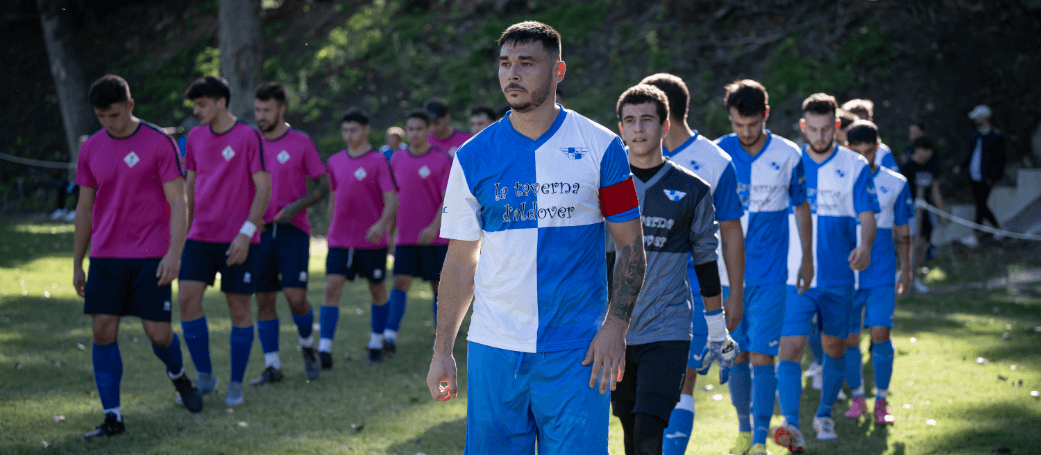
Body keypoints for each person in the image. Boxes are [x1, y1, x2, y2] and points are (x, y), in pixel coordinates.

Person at [426, 21, 645, 454]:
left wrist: (616, 325)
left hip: (577, 351)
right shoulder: (471, 156)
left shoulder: (603, 147)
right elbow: (460, 261)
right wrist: (442, 350)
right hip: (494, 349)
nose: (512, 73)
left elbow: (631, 248)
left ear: (558, 70)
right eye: (505, 63)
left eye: (527, 63)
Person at [74, 74, 201, 439]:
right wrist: (77, 262)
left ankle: (179, 376)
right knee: (102, 329)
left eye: (114, 115)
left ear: (130, 106)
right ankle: (112, 417)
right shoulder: (90, 148)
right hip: (106, 256)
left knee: (158, 334)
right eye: (101, 116)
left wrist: (174, 254)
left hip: (151, 255)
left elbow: (179, 201)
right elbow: (84, 208)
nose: (108, 123)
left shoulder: (159, 142)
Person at [611, 83, 735, 455]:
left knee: (650, 433)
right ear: (620, 128)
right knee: (630, 432)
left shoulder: (692, 189)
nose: (638, 129)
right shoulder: (603, 186)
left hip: (669, 329)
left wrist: (717, 328)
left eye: (647, 119)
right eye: (629, 120)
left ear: (665, 126)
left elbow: (706, 260)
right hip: (615, 332)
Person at [714, 79, 813, 455]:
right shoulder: (717, 152)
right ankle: (743, 428)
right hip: (725, 275)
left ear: (765, 115)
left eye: (752, 124)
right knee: (736, 354)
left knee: (763, 356)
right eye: (738, 124)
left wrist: (807, 257)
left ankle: (758, 439)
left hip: (771, 275)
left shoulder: (788, 154)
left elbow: (801, 207)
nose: (745, 132)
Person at [775, 93, 878, 446]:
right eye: (812, 129)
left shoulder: (855, 165)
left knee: (835, 347)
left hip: (838, 276)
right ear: (803, 127)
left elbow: (868, 216)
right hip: (796, 276)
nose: (819, 136)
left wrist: (865, 246)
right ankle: (791, 423)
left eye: (825, 129)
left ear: (836, 126)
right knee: (789, 348)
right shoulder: (790, 162)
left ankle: (824, 416)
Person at [179, 76, 271, 407]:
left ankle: (235, 383)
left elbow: (263, 188)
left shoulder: (248, 136)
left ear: (221, 102)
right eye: (195, 105)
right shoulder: (194, 137)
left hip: (239, 239)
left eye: (202, 104)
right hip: (200, 236)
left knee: (239, 308)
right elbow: (189, 187)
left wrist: (246, 233)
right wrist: (181, 234)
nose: (196, 111)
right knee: (186, 300)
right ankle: (205, 377)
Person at [249, 82, 328, 385]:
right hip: (260, 232)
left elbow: (323, 186)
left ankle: (308, 346)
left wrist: (295, 208)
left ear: (281, 109)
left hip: (293, 231)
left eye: (267, 110)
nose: (261, 116)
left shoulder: (301, 142)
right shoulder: (251, 143)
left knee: (296, 298)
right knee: (264, 299)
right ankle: (273, 366)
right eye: (257, 110)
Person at [841, 120, 913, 425]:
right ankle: (858, 397)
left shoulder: (896, 182)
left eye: (869, 151)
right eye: (856, 152)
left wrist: (907, 269)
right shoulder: (836, 180)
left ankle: (881, 400)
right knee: (848, 339)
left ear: (878, 147)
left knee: (881, 332)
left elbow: (904, 231)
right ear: (847, 148)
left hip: (881, 272)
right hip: (844, 273)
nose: (863, 157)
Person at [321, 108, 398, 366]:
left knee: (377, 289)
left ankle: (376, 343)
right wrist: (330, 229)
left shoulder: (379, 161)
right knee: (331, 288)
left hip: (371, 241)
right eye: (345, 130)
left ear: (365, 130)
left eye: (353, 130)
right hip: (340, 240)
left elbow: (392, 199)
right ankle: (324, 348)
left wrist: (381, 225)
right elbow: (333, 198)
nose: (349, 135)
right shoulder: (334, 161)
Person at [383, 109, 453, 353]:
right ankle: (389, 336)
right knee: (400, 282)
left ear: (428, 130)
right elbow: (392, 199)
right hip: (405, 236)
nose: (414, 134)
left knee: (438, 287)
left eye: (419, 129)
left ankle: (441, 339)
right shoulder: (396, 159)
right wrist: (390, 232)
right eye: (410, 129)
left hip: (434, 238)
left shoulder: (442, 159)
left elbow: (447, 200)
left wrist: (434, 227)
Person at [900, 136, 948, 293]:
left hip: (926, 211)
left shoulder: (931, 168)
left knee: (922, 245)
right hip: (910, 212)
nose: (926, 153)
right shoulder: (907, 168)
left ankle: (914, 276)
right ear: (916, 149)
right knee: (913, 244)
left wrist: (941, 213)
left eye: (929, 150)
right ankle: (906, 275)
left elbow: (935, 191)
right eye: (924, 149)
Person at [955, 104, 1006, 247]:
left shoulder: (995, 136)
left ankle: (976, 235)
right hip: (974, 176)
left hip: (986, 177)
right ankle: (998, 229)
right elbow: (969, 153)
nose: (975, 120)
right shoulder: (976, 135)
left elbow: (1000, 159)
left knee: (981, 205)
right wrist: (961, 165)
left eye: (977, 117)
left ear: (984, 117)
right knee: (981, 204)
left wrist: (993, 176)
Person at [842, 99, 898, 171]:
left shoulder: (883, 152)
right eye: (855, 123)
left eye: (865, 122)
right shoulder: (838, 151)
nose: (861, 127)